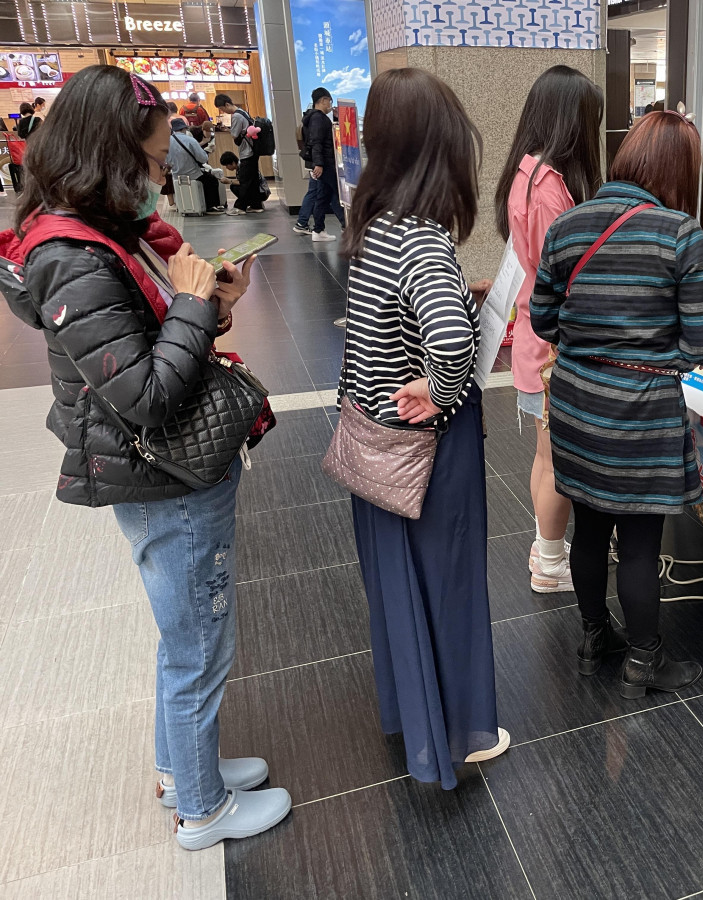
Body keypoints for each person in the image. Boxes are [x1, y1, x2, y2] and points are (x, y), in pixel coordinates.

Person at [0, 65, 289, 849]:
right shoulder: (73, 258)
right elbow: (149, 396)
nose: (163, 177)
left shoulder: (98, 238)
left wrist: (209, 305)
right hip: (164, 477)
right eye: (155, 161)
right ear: (108, 156)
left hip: (159, 471)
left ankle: (183, 767)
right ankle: (201, 810)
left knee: (184, 632)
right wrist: (193, 303)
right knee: (200, 643)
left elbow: (155, 353)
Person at [339, 68, 507, 789]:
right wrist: (441, 391)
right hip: (428, 450)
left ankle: (418, 721)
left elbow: (405, 319)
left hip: (373, 444)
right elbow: (449, 342)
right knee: (451, 584)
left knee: (401, 586)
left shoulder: (374, 225)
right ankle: (459, 731)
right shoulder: (424, 241)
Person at [531, 110, 703, 698]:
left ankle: (596, 638)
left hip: (574, 400)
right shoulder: (679, 233)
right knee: (640, 540)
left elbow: (543, 319)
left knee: (589, 525)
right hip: (641, 409)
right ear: (678, 169)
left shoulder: (568, 224)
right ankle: (646, 659)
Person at [495, 65, 604, 595]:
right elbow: (561, 271)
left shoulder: (529, 173)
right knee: (557, 459)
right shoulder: (548, 188)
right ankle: (553, 564)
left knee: (546, 456)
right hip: (553, 344)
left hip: (539, 338)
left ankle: (546, 551)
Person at [293, 88, 345, 242]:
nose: (330, 104)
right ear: (323, 100)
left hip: (324, 163)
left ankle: (318, 230)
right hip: (326, 164)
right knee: (337, 195)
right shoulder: (318, 118)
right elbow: (317, 142)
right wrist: (319, 164)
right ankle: (347, 227)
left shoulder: (315, 118)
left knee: (323, 196)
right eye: (330, 100)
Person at [214, 93, 264, 214]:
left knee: (246, 181)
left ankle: (240, 207)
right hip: (253, 151)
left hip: (246, 152)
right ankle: (256, 205)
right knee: (252, 181)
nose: (223, 111)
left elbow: (235, 136)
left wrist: (230, 131)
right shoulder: (243, 112)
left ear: (227, 104)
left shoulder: (236, 116)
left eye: (222, 108)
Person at [167, 118, 224, 214]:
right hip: (193, 174)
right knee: (211, 180)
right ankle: (211, 206)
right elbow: (202, 158)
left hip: (177, 176)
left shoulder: (166, 142)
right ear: (184, 129)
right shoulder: (190, 140)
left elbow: (166, 160)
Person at [11, 101, 40, 194]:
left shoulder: (21, 122)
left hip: (28, 147)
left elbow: (20, 135)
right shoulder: (38, 120)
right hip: (39, 147)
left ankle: (32, 187)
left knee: (31, 167)